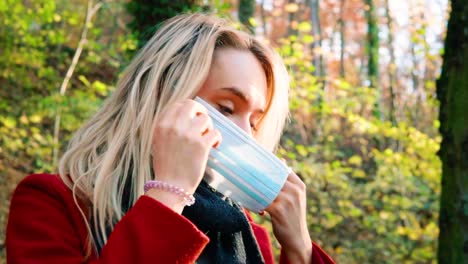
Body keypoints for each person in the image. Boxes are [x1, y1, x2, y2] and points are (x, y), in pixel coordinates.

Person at [6, 13, 335, 264]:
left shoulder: (244, 231)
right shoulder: (56, 206)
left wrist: (300, 249)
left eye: (255, 120)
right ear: (160, 97)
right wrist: (168, 195)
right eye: (225, 108)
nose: (246, 135)